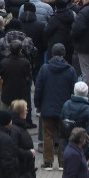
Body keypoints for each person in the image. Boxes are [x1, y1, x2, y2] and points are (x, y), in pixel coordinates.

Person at [34, 42, 77, 171]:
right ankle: (63, 162)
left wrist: (37, 105)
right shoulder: (70, 70)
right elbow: (73, 91)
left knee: (48, 135)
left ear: (52, 53)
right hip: (65, 110)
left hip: (47, 108)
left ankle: (48, 162)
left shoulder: (45, 68)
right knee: (64, 135)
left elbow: (38, 89)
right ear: (64, 54)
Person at [8, 99, 36, 178]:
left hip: (26, 168)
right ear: (20, 112)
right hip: (22, 170)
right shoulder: (15, 129)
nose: (27, 111)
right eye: (25, 109)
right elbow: (14, 149)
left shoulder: (21, 126)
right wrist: (29, 153)